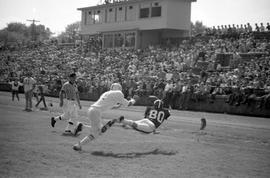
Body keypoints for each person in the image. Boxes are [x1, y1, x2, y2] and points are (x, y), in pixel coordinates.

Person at [72, 83, 136, 151]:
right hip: (96, 112)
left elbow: (111, 106)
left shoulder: (107, 93)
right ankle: (79, 145)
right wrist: (133, 100)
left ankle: (81, 127)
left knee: (99, 130)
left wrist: (120, 105)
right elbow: (128, 104)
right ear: (119, 88)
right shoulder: (118, 93)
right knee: (97, 133)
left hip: (92, 110)